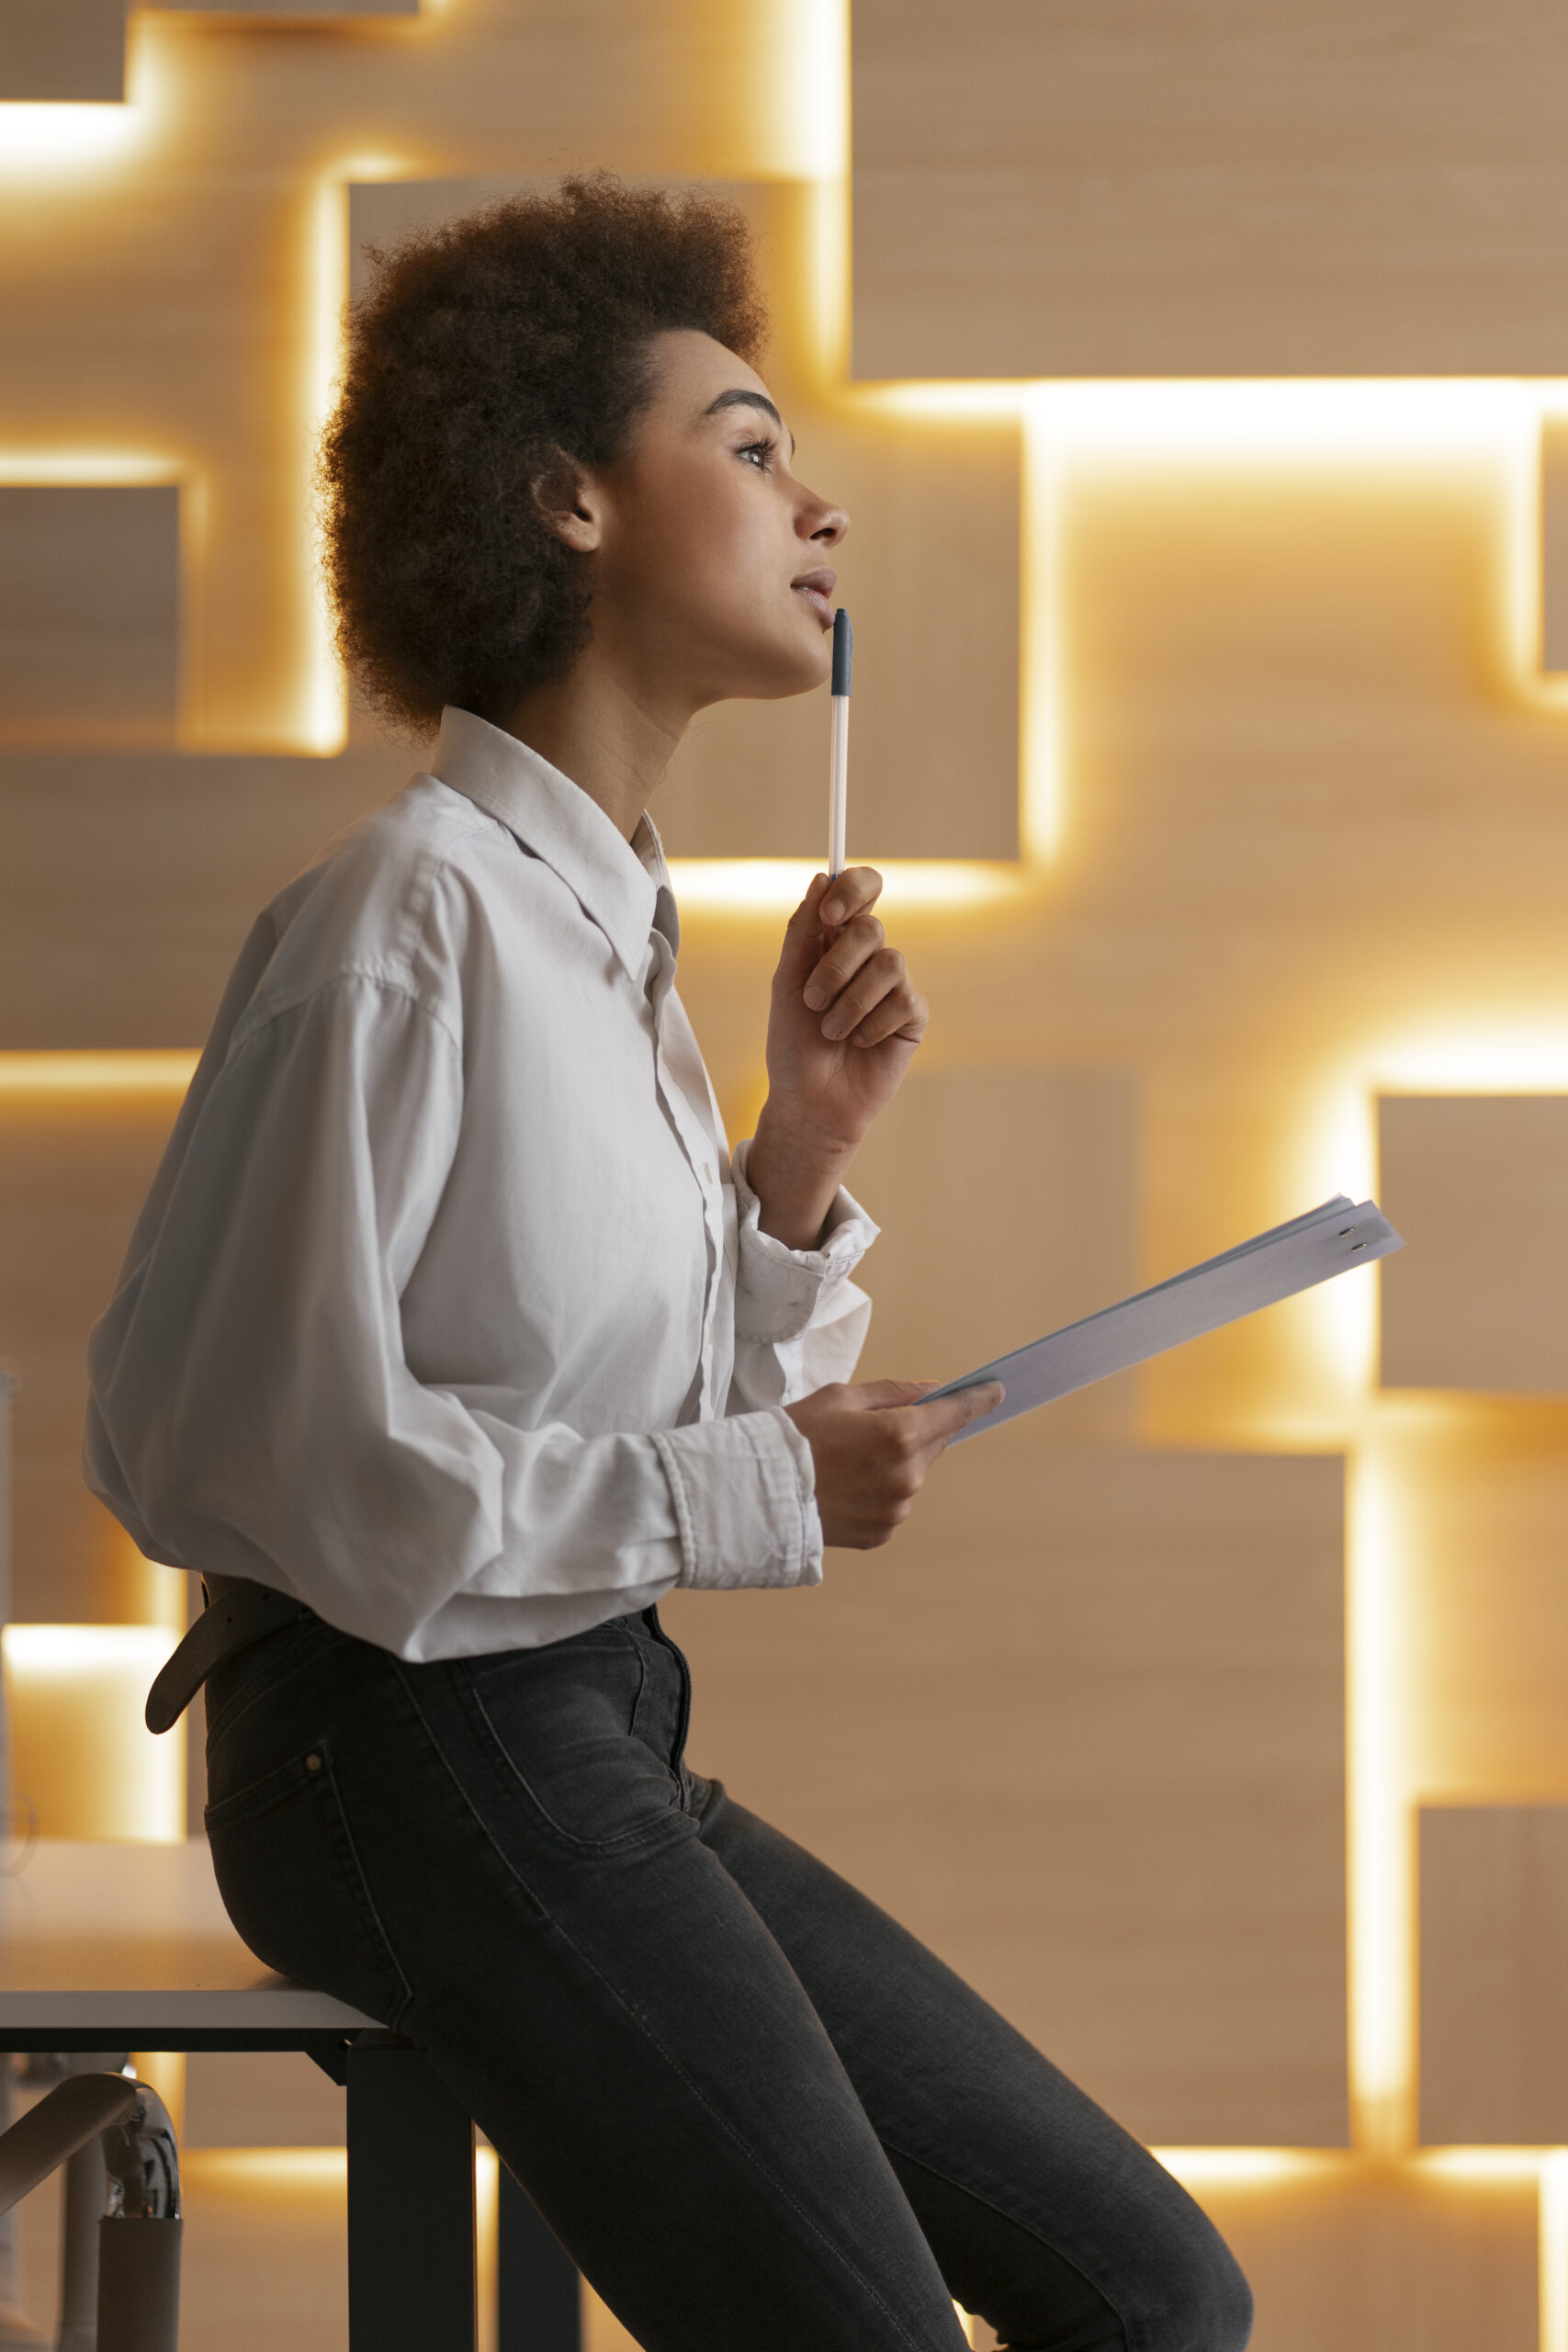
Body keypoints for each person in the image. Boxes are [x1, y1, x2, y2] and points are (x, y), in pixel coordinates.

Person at [84, 175, 1252, 2352]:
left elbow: (626, 1410)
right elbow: (233, 1446)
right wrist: (761, 1487)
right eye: (745, 444)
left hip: (578, 1720)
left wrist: (795, 1161)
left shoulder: (609, 936)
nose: (817, 507)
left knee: (1153, 2286)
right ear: (566, 501)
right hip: (396, 1750)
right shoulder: (403, 921)